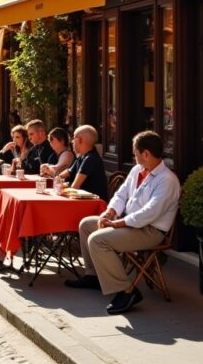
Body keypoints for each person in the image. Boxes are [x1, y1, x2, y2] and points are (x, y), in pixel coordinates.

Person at [68, 131, 180, 315]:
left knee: (98, 240)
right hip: (128, 223)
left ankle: (127, 291)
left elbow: (149, 213)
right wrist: (110, 212)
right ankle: (93, 276)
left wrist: (117, 224)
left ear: (146, 154)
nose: (133, 156)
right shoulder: (137, 170)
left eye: (135, 152)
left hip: (150, 231)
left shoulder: (167, 180)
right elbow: (121, 194)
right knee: (87, 225)